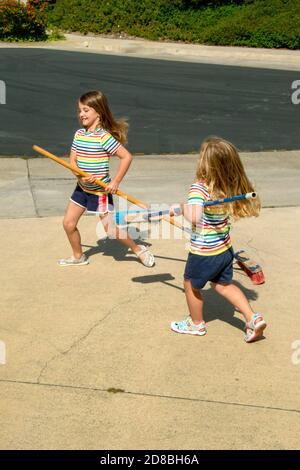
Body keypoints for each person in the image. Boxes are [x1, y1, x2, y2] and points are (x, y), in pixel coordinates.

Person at [169, 137, 266, 343]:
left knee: (190, 285)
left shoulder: (199, 188)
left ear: (204, 162)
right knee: (223, 285)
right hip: (224, 249)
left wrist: (181, 207)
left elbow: (194, 217)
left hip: (204, 253)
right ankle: (252, 318)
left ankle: (195, 324)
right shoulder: (227, 187)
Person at [59, 90, 155, 267]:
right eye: (80, 110)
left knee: (110, 230)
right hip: (82, 189)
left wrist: (115, 182)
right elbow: (72, 161)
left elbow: (126, 156)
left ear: (99, 112)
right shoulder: (79, 134)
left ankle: (138, 250)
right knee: (68, 223)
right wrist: (80, 176)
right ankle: (79, 256)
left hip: (100, 192)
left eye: (86, 110)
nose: (81, 114)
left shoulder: (103, 137)